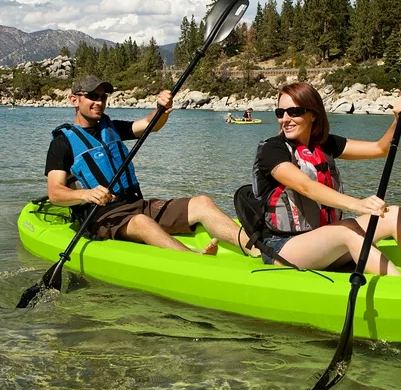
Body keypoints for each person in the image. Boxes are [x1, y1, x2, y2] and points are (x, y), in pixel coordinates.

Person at [251, 82, 401, 279]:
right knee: (347, 229)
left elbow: (380, 149)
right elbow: (305, 186)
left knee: (393, 214)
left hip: (325, 243)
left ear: (313, 114)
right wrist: (357, 204)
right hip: (283, 248)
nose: (285, 119)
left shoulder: (325, 144)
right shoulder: (272, 149)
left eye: (294, 112)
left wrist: (397, 120)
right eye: (280, 113)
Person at [45, 75, 257, 255]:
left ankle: (256, 249)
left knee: (202, 203)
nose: (99, 102)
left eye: (103, 97)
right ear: (74, 99)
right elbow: (55, 193)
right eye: (92, 96)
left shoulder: (111, 128)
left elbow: (149, 125)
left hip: (136, 204)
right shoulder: (62, 143)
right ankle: (194, 260)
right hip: (102, 218)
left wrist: (161, 109)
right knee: (141, 222)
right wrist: (86, 194)